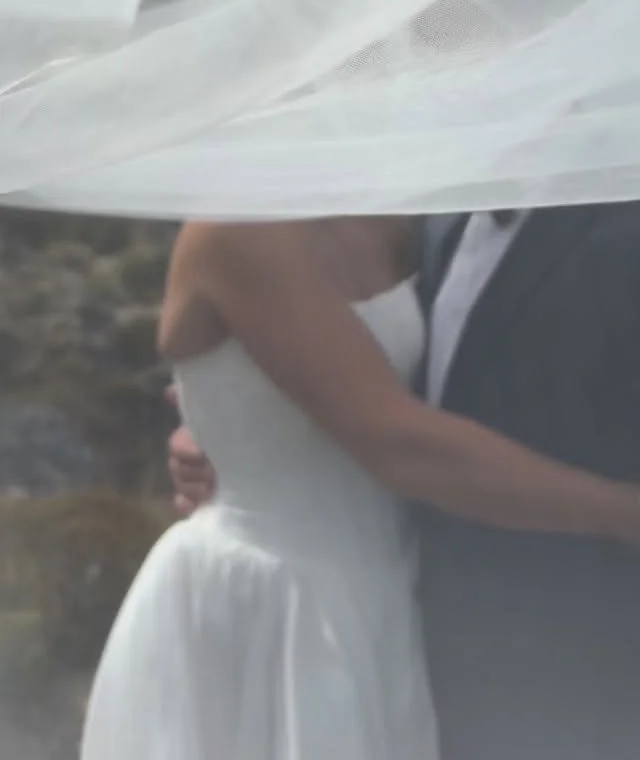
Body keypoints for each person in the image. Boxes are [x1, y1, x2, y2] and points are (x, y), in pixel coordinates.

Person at [167, 206, 640, 760]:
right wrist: (233, 432)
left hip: (562, 649)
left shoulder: (395, 223)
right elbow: (397, 436)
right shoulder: (427, 221)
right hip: (290, 609)